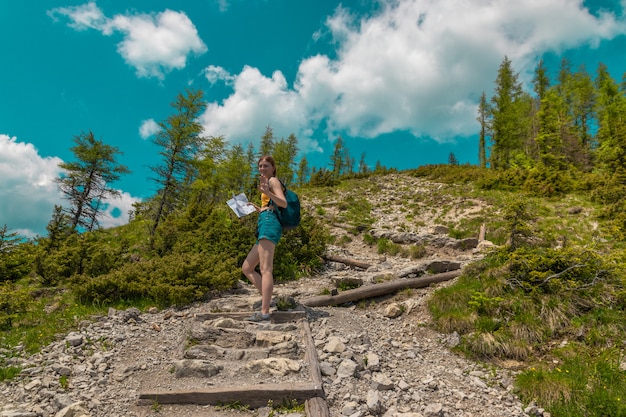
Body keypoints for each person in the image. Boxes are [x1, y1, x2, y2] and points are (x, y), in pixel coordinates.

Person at [241, 155, 287, 322]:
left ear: (273, 168)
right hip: (264, 220)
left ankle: (265, 312)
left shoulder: (273, 181)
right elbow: (270, 205)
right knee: (247, 267)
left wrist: (267, 192)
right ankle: (268, 300)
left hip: (269, 223)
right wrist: (257, 207)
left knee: (266, 269)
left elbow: (282, 203)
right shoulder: (267, 183)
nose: (262, 169)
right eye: (260, 166)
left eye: (266, 166)